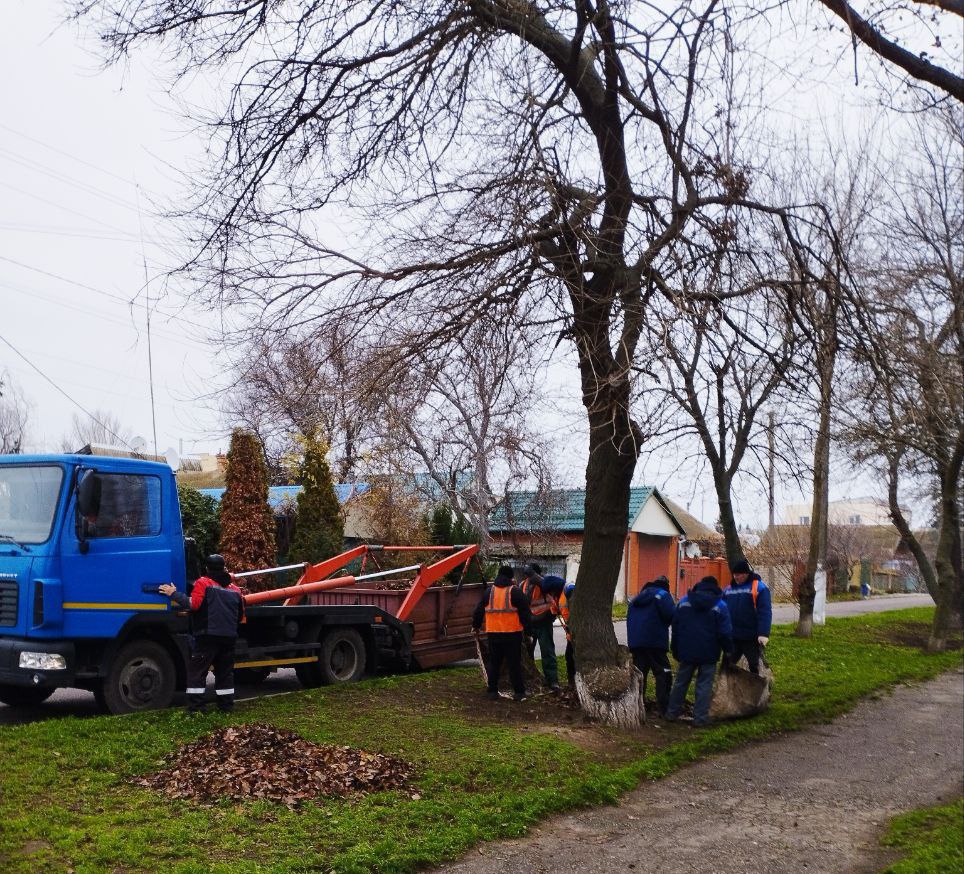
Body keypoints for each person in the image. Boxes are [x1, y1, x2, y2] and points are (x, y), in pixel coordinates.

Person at [159, 554, 245, 713]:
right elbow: (240, 616)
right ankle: (226, 706)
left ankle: (196, 708)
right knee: (225, 674)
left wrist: (173, 593)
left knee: (197, 673)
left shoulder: (203, 583)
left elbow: (194, 604)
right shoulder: (236, 590)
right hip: (229, 638)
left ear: (206, 568)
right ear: (223, 568)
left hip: (207, 637)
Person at [665, 575, 733, 728]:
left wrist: (675, 648)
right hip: (709, 652)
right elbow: (725, 633)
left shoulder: (683, 602)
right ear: (716, 588)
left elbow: (675, 628)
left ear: (699, 586)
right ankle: (700, 718)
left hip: (687, 650)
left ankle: (671, 712)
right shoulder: (720, 605)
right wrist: (729, 650)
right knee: (704, 685)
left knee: (681, 683)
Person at [472, 565, 533, 701]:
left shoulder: (489, 592)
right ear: (511, 577)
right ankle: (519, 693)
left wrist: (475, 626)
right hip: (512, 634)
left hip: (493, 634)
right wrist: (529, 632)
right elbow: (525, 614)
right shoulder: (515, 592)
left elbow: (478, 611)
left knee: (495, 663)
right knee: (514, 664)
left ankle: (492, 691)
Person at [627, 575, 676, 715]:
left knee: (639, 674)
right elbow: (671, 616)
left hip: (636, 644)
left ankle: (637, 707)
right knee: (663, 673)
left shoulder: (636, 598)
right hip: (655, 643)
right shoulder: (663, 595)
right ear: (666, 586)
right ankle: (664, 708)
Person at [722, 559, 772, 675]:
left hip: (751, 636)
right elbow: (721, 611)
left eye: (738, 575)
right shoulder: (728, 590)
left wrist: (763, 634)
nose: (735, 577)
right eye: (734, 575)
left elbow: (764, 612)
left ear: (746, 574)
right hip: (733, 636)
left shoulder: (759, 588)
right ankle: (728, 687)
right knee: (728, 664)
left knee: (754, 665)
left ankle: (759, 686)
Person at [518, 563, 561, 692]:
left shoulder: (544, 584)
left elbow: (553, 598)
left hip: (543, 622)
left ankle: (552, 681)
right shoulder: (522, 585)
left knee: (547, 652)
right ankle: (531, 679)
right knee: (528, 653)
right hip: (530, 624)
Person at [551, 580, 577, 689]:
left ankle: (574, 681)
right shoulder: (558, 596)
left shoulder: (570, 590)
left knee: (572, 656)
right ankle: (572, 681)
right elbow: (554, 611)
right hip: (570, 630)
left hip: (575, 631)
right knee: (569, 656)